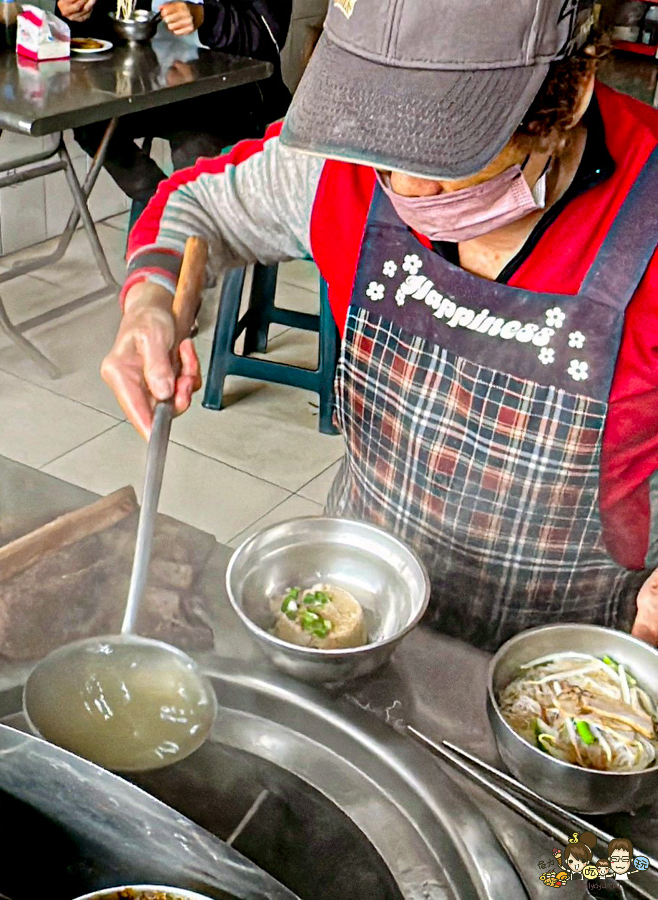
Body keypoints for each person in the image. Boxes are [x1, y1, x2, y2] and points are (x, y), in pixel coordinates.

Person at [101, 0, 658, 650]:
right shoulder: (342, 165)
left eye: (452, 155)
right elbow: (196, 207)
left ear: (565, 100)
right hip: (361, 619)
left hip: (567, 672)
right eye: (385, 156)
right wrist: (150, 304)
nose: (407, 190)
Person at [56, 0, 291, 220]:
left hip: (229, 93)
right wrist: (75, 13)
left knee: (196, 158)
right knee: (90, 118)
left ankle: (190, 228)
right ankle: (167, 209)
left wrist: (205, 18)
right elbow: (112, 22)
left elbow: (268, 36)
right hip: (152, 83)